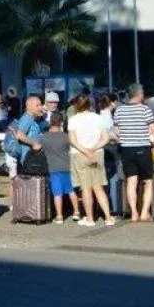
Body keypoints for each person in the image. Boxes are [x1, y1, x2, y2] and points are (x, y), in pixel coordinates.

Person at [113, 83, 154, 221]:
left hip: (127, 149)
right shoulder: (144, 110)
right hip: (143, 149)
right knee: (148, 181)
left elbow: (116, 132)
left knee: (131, 181)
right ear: (139, 94)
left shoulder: (119, 111)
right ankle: (145, 212)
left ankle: (134, 213)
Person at [67, 93, 113, 226]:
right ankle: (108, 217)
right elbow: (106, 138)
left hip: (79, 154)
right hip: (97, 153)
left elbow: (73, 140)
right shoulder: (99, 118)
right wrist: (93, 149)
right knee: (98, 187)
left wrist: (86, 151)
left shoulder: (73, 120)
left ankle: (89, 218)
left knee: (85, 188)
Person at [41, 111, 79, 224]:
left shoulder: (44, 137)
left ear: (50, 122)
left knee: (57, 193)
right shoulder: (66, 137)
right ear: (61, 122)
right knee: (71, 191)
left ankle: (59, 216)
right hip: (67, 166)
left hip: (53, 168)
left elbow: (38, 147)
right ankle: (76, 212)